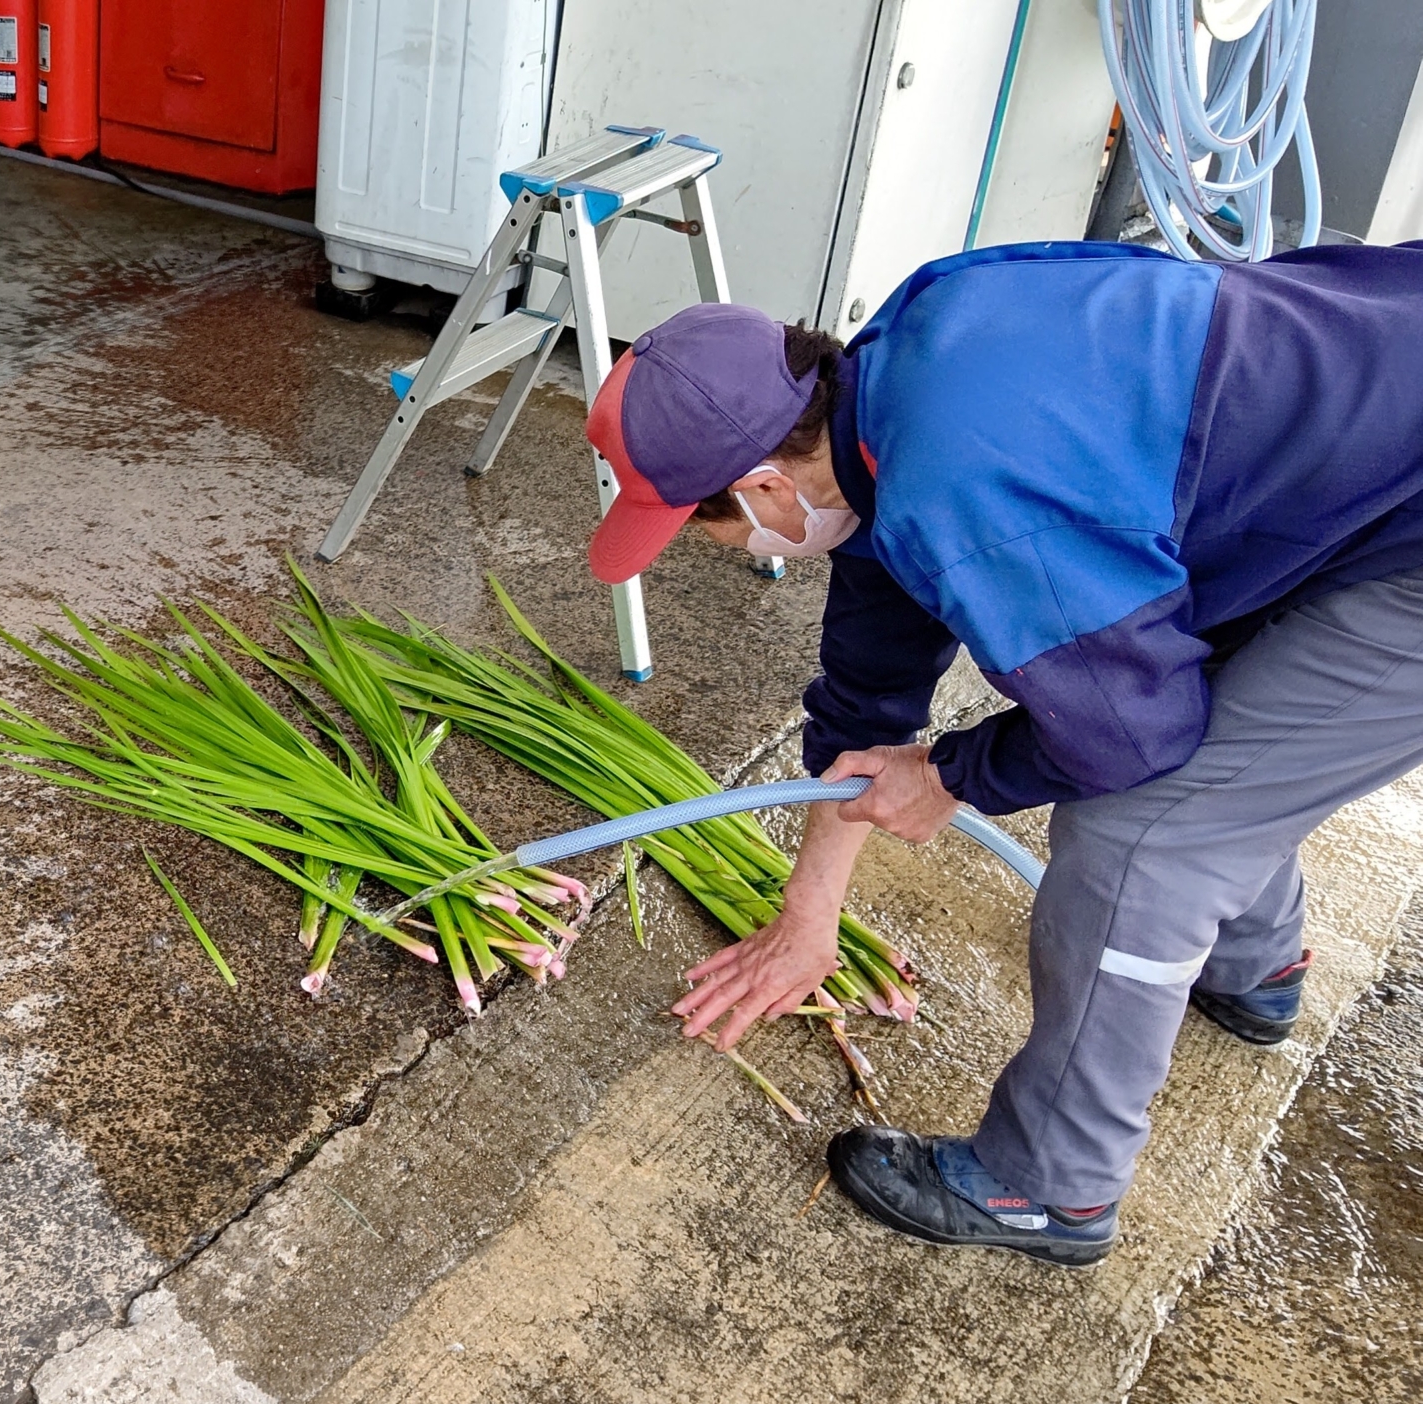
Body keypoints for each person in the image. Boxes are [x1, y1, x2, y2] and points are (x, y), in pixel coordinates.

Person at [581, 238, 1423, 1266]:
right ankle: (1254, 966)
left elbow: (1129, 732)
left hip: (1404, 535)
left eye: (701, 527)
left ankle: (1051, 1184)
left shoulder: (958, 487)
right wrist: (810, 913)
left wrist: (952, 775)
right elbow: (868, 689)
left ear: (762, 487)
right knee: (1233, 744)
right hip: (1360, 421)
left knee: (1141, 833)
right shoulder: (887, 395)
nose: (719, 550)